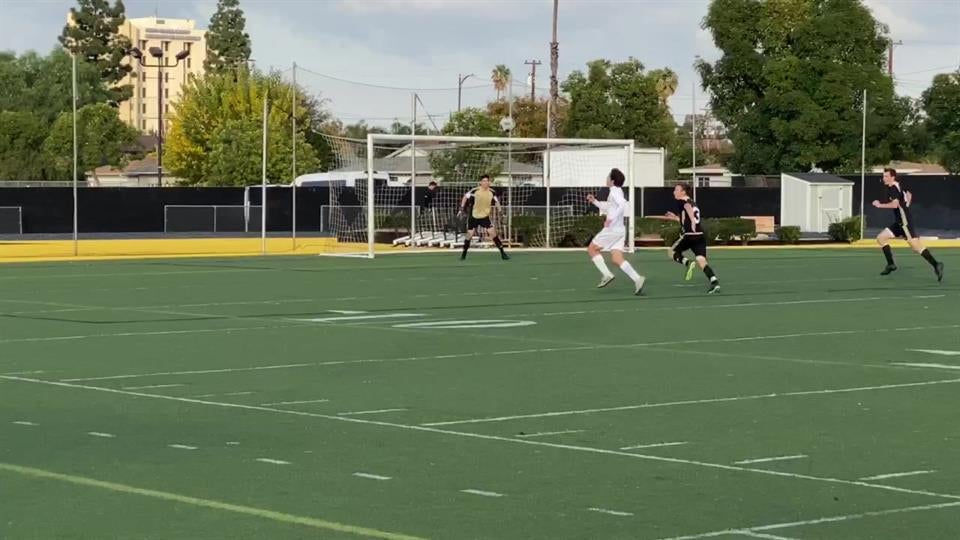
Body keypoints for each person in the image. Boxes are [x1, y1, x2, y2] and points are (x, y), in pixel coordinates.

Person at [873, 168, 944, 281]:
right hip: (900, 221)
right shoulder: (900, 185)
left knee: (915, 246)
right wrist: (906, 205)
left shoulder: (892, 188)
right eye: (883, 176)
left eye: (886, 176)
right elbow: (909, 195)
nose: (884, 178)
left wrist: (879, 205)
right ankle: (891, 264)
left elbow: (895, 205)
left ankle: (936, 264)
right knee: (881, 238)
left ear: (892, 177)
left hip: (904, 221)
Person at [586, 168, 645, 295]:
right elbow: (610, 207)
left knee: (591, 249)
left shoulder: (614, 191)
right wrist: (595, 201)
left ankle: (607, 275)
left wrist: (610, 220)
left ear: (612, 180)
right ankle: (637, 279)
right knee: (617, 258)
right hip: (619, 230)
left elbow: (622, 205)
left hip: (612, 229)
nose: (606, 178)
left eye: (608, 176)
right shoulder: (616, 191)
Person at [658, 183, 720, 294]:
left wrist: (691, 220)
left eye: (677, 190)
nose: (674, 192)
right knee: (701, 260)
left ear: (683, 192)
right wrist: (675, 217)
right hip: (699, 235)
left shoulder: (682, 201)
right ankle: (714, 281)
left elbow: (687, 209)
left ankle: (687, 263)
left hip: (689, 235)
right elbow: (685, 217)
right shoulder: (693, 202)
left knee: (671, 252)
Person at [459, 175, 509, 261]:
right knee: (469, 235)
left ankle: (503, 254)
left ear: (489, 182)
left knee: (493, 233)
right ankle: (463, 254)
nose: (486, 182)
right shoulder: (475, 190)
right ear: (480, 182)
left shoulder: (492, 192)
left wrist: (501, 212)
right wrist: (461, 208)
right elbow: (465, 197)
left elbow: (496, 202)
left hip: (485, 217)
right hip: (474, 216)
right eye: (484, 181)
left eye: (487, 181)